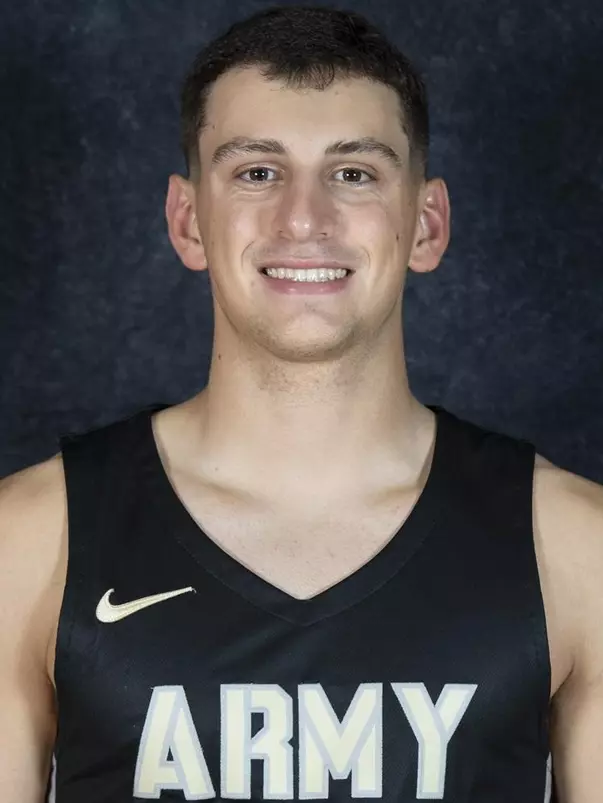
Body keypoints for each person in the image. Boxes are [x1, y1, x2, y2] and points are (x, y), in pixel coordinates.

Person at [1, 4, 602, 802]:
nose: (303, 218)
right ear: (187, 221)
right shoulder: (30, 539)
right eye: (257, 171)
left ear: (426, 224)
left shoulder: (574, 546)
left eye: (353, 173)